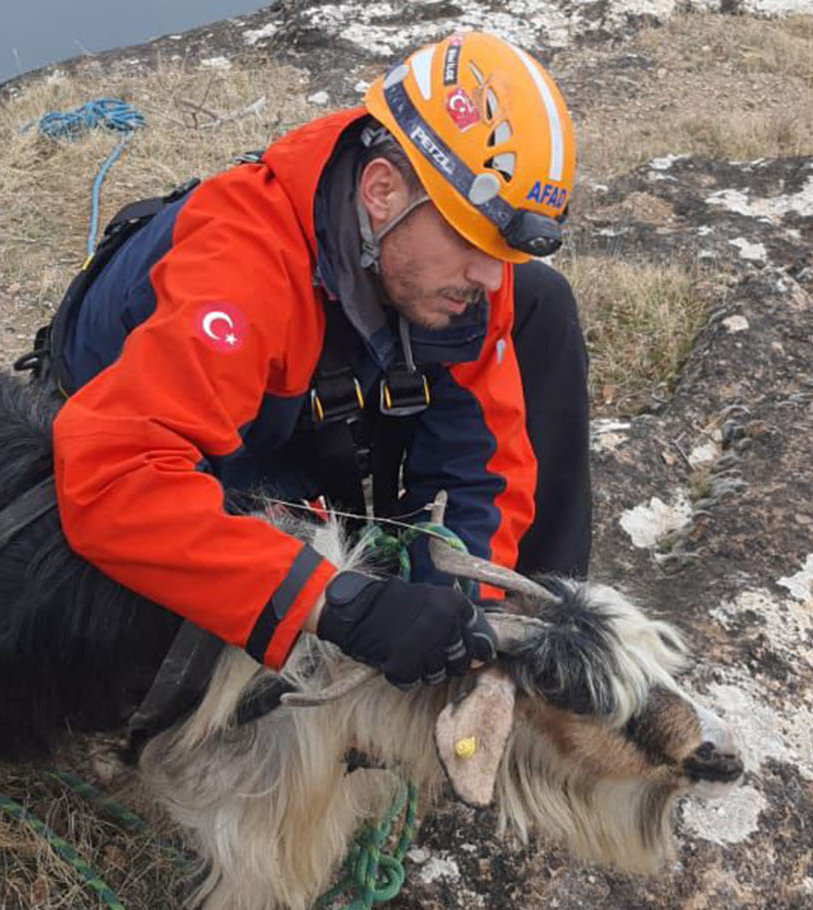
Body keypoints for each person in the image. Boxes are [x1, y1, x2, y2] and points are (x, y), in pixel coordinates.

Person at [50, 31, 591, 690]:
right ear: (382, 190)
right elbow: (113, 477)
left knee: (542, 302)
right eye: (467, 240)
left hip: (310, 395)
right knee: (255, 612)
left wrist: (468, 618)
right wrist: (333, 602)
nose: (488, 274)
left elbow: (481, 462)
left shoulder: (463, 265)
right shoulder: (242, 272)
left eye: (501, 250)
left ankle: (542, 650)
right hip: (191, 432)